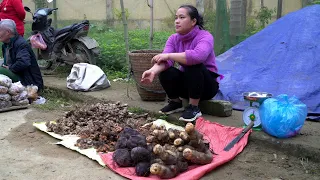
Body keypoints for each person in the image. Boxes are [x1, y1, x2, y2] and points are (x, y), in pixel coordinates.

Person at [141, 5, 220, 122]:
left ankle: (193, 107)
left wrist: (169, 55)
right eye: (176, 18)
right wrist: (152, 71)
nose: (177, 21)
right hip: (188, 85)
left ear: (193, 21)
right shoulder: (173, 38)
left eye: (182, 17)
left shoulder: (205, 36)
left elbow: (198, 56)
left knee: (193, 64)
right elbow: (165, 60)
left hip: (207, 86)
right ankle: (175, 102)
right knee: (166, 71)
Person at [0, 19, 43, 91]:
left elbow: (24, 62)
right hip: (16, 75)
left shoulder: (21, 44)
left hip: (28, 81)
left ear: (8, 32)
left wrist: (10, 68)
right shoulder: (5, 45)